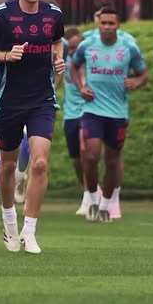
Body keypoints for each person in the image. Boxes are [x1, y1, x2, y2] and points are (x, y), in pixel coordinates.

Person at [0, 0, 64, 253]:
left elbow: (57, 41)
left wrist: (58, 61)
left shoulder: (53, 14)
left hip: (42, 100)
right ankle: (9, 221)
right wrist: (5, 55)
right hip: (10, 101)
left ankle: (30, 231)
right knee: (9, 165)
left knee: (39, 163)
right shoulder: (2, 14)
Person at [71, 5, 146, 225]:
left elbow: (143, 73)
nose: (106, 27)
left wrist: (136, 82)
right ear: (98, 24)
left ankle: (105, 205)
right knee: (91, 156)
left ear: (118, 25)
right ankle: (93, 199)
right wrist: (81, 87)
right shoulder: (87, 45)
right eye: (103, 23)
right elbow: (74, 67)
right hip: (92, 109)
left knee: (112, 161)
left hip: (118, 113)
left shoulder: (128, 48)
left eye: (111, 23)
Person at [60, 26, 92, 216]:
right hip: (70, 114)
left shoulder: (90, 60)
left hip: (89, 110)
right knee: (76, 159)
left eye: (76, 47)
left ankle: (89, 196)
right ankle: (89, 189)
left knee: (84, 149)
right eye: (70, 48)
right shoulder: (63, 61)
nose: (73, 51)